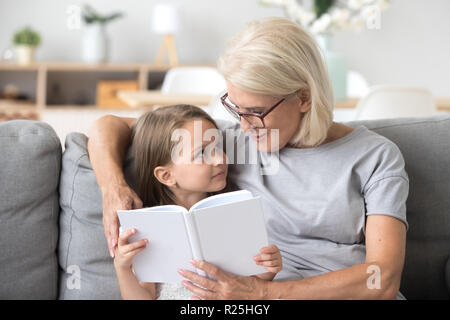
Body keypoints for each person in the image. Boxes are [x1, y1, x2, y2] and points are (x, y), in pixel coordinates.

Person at [88, 17, 408, 300]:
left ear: (304, 98)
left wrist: (262, 293)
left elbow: (382, 279)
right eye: (235, 109)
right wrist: (112, 186)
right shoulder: (227, 145)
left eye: (256, 112)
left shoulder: (375, 157)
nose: (243, 126)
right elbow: (108, 125)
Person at [110, 105, 282, 299]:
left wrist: (269, 268)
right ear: (167, 175)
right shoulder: (150, 228)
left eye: (218, 147)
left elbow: (254, 283)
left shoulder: (234, 212)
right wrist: (123, 268)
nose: (219, 159)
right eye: (202, 153)